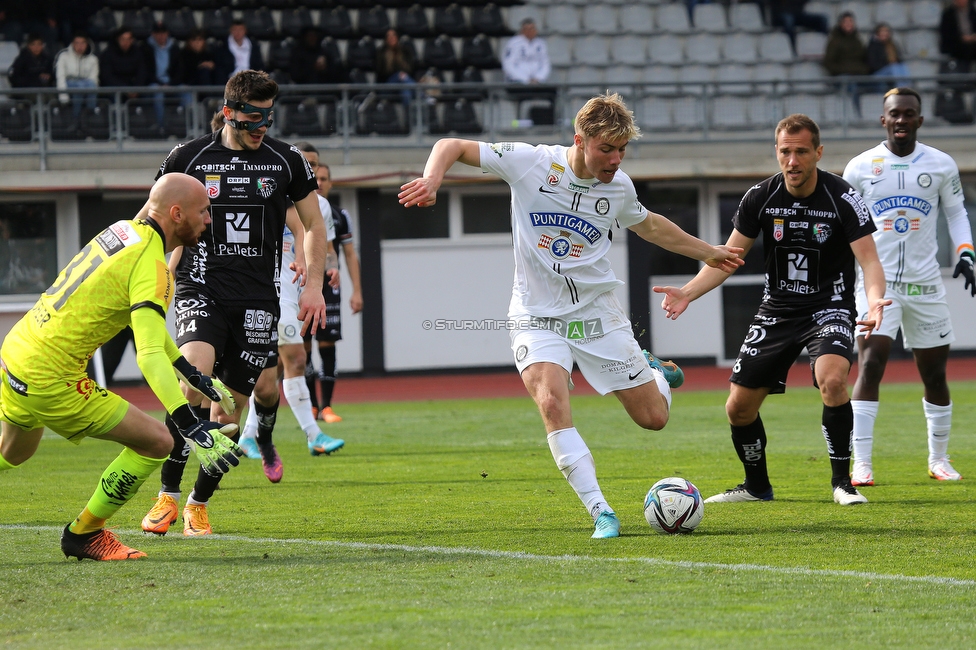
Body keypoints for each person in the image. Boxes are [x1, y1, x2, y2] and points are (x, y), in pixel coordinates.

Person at [399, 93, 744, 538]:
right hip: (535, 313)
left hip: (597, 315)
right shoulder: (529, 162)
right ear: (579, 140)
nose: (616, 159)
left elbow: (652, 226)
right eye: (607, 149)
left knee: (654, 418)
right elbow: (451, 144)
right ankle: (601, 511)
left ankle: (653, 373)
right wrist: (432, 179)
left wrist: (710, 252)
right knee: (551, 401)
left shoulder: (619, 187)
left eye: (622, 150)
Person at [0, 173, 243, 561]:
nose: (209, 220)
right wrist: (189, 423)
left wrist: (188, 370)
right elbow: (146, 353)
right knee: (158, 443)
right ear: (177, 214)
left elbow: (148, 330)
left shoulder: (123, 230)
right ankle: (85, 534)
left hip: (17, 351)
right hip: (52, 377)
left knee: (12, 454)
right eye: (204, 212)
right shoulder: (154, 267)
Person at [654, 114, 890, 507]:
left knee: (832, 380)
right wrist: (688, 292)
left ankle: (842, 484)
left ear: (818, 152)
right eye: (785, 152)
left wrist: (876, 297)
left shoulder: (842, 197)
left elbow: (869, 262)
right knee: (738, 408)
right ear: (776, 153)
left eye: (801, 152)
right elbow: (726, 258)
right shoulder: (760, 198)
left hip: (828, 307)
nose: (793, 161)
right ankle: (756, 487)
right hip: (777, 310)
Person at [140, 69, 329, 537]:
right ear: (228, 112)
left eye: (268, 115)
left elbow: (314, 224)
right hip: (199, 287)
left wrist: (313, 286)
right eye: (253, 116)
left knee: (228, 413)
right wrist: (143, 276)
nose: (262, 124)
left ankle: (198, 503)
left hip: (257, 300)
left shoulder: (286, 160)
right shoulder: (188, 157)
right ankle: (165, 494)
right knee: (194, 386)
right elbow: (151, 220)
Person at [843, 88, 975, 487]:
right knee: (870, 364)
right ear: (883, 120)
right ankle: (861, 464)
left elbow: (956, 214)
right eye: (894, 114)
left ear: (920, 119)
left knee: (934, 374)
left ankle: (939, 459)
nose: (901, 120)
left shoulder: (940, 165)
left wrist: (966, 253)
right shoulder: (861, 167)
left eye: (909, 114)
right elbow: (844, 225)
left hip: (926, 284)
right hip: (876, 287)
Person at [238, 141, 344, 469]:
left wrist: (325, 266)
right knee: (288, 361)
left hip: (289, 292)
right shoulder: (263, 193)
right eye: (305, 163)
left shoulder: (318, 206)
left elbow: (316, 238)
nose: (309, 171)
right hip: (264, 293)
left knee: (279, 367)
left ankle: (249, 436)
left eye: (313, 164)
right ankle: (311, 435)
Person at [307, 161, 363, 424]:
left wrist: (357, 291)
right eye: (315, 178)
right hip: (303, 286)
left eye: (324, 179)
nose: (319, 183)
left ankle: (327, 406)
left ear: (331, 183)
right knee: (303, 346)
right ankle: (312, 407)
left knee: (327, 343)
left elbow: (350, 254)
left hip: (329, 286)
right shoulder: (299, 210)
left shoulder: (340, 215)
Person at [823, 11, 869, 112]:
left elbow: (864, 60)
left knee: (879, 84)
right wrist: (848, 70)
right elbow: (828, 63)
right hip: (842, 77)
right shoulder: (834, 41)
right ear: (840, 24)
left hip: (859, 75)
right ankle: (856, 115)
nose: (848, 24)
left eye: (850, 21)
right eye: (846, 22)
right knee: (851, 85)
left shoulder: (858, 41)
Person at [143, 21, 180, 131]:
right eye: (157, 33)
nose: (161, 36)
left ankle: (189, 128)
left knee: (187, 92)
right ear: (153, 34)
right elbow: (146, 71)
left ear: (167, 33)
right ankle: (161, 126)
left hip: (172, 83)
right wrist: (161, 84)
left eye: (163, 33)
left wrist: (170, 84)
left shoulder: (174, 48)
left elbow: (179, 70)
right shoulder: (146, 48)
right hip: (154, 83)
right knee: (157, 92)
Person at [54, 32, 99, 117]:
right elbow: (60, 76)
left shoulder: (93, 59)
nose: (80, 46)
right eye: (77, 43)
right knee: (79, 86)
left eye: (83, 43)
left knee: (91, 84)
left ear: (87, 44)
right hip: (69, 82)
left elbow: (94, 78)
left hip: (86, 84)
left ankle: (90, 113)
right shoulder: (64, 56)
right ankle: (76, 117)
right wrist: (63, 95)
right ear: (72, 44)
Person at [99, 26, 149, 98]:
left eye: (128, 39)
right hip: (115, 88)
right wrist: (124, 89)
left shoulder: (138, 53)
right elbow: (107, 76)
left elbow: (142, 72)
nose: (126, 42)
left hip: (134, 87)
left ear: (132, 40)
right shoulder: (108, 54)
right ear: (118, 39)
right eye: (123, 39)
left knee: (148, 95)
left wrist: (136, 88)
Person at [215, 19, 265, 84]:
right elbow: (221, 65)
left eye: (240, 30)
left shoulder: (253, 46)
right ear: (231, 30)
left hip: (251, 79)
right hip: (230, 79)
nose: (238, 32)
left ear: (245, 31)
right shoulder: (223, 46)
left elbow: (258, 64)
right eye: (235, 30)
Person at [866, 23, 910, 90]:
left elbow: (898, 58)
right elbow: (872, 65)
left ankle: (907, 87)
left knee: (903, 66)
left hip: (891, 69)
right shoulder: (873, 46)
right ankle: (901, 89)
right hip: (877, 73)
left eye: (886, 31)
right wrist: (888, 64)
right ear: (877, 33)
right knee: (893, 67)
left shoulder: (892, 45)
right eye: (882, 31)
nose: (884, 33)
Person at [939, 0, 976, 68]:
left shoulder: (973, 12)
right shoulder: (948, 15)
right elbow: (947, 35)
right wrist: (963, 38)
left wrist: (971, 38)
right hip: (956, 47)